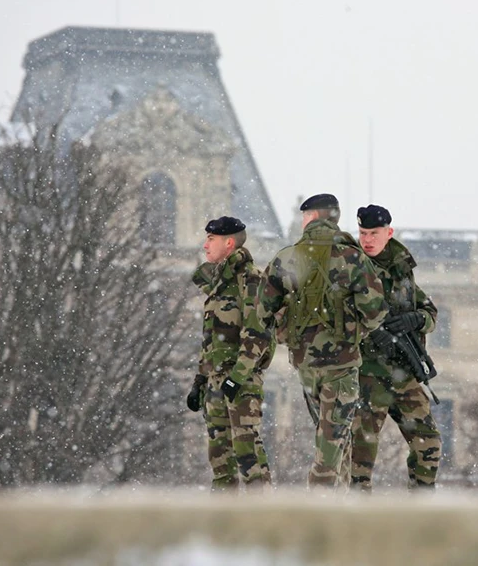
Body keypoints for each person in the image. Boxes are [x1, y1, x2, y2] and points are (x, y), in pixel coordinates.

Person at [236, 194, 387, 487]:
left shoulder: (287, 257)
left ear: (311, 218)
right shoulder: (353, 257)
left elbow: (261, 313)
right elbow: (376, 311)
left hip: (306, 367)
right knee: (331, 447)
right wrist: (353, 333)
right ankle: (321, 508)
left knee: (333, 438)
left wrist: (287, 329)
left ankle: (340, 510)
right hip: (341, 368)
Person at [350, 204, 442, 491]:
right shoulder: (351, 267)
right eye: (363, 232)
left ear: (389, 233)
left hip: (403, 374)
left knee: (429, 444)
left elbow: (430, 312)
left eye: (374, 233)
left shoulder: (402, 270)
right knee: (360, 457)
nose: (367, 239)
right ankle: (356, 515)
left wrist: (417, 319)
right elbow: (338, 317)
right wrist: (370, 332)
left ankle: (421, 506)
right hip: (368, 374)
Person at [186, 215, 273, 491]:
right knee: (220, 464)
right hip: (215, 384)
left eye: (211, 239)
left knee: (250, 459)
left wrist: (236, 378)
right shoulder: (217, 284)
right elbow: (211, 342)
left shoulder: (250, 281)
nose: (205, 245)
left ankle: (266, 522)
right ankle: (222, 527)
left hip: (241, 385)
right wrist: (200, 381)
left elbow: (257, 337)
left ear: (229, 243)